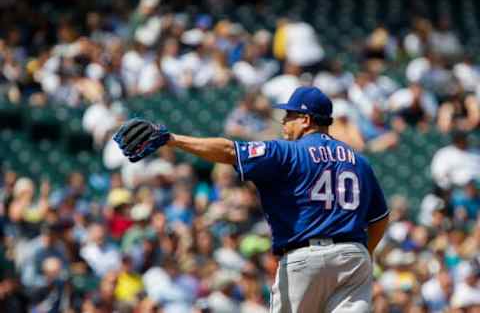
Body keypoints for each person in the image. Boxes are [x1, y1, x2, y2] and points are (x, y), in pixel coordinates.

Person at [112, 86, 390, 312]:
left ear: (306, 120)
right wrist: (364, 253)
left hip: (307, 259)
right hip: (353, 258)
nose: (284, 121)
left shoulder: (288, 152)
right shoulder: (359, 161)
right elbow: (379, 218)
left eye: (290, 115)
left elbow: (229, 150)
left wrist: (172, 139)